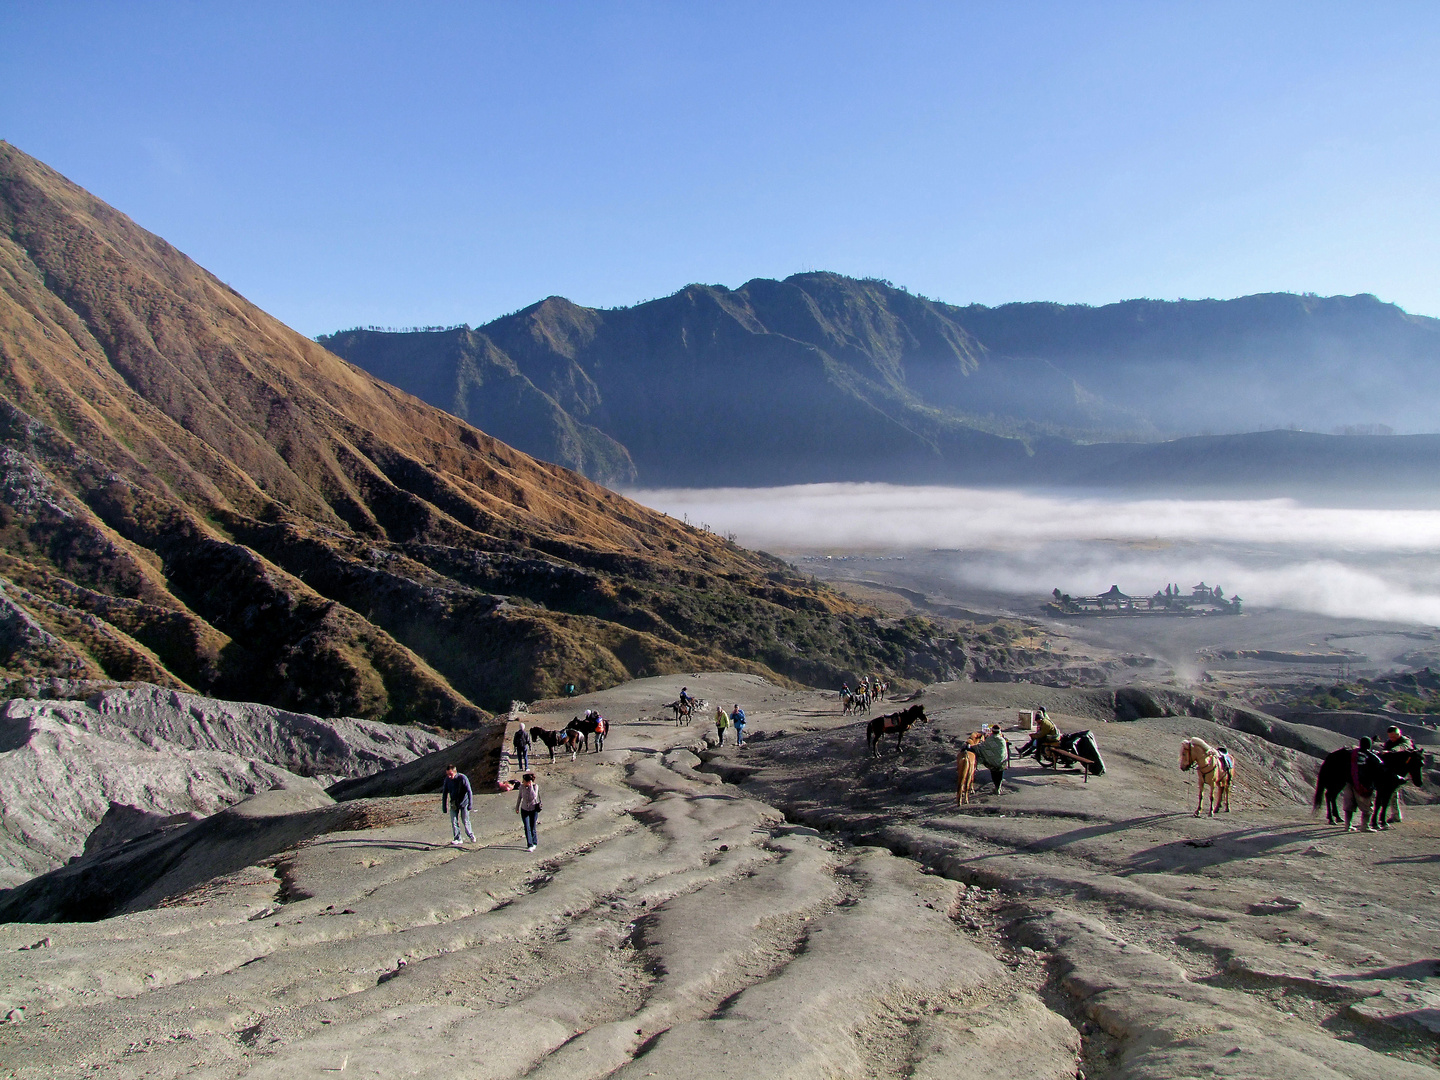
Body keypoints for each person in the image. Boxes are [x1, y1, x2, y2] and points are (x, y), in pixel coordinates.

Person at [1344, 737, 1385, 832]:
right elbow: (1380, 767)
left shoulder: (1351, 754)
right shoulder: (1372, 756)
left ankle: (1347, 826)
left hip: (1350, 783)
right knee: (1367, 808)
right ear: (1369, 745)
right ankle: (1365, 826)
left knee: (1349, 806)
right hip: (1363, 786)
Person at [1382, 725, 1415, 823]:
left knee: (1394, 793)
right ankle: (1396, 815)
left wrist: (1391, 751)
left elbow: (1403, 747)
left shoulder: (1405, 741)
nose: (1392, 739)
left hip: (1403, 772)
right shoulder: (1389, 743)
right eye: (1390, 737)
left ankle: (1396, 815)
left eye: (1394, 737)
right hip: (1393, 771)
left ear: (1398, 734)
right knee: (1393, 793)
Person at [441, 764, 475, 846]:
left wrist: (470, 804)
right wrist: (444, 806)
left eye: (450, 774)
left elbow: (469, 791)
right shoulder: (447, 780)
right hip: (454, 803)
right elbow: (445, 793)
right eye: (447, 774)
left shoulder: (462, 778)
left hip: (464, 803)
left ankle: (471, 835)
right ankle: (457, 838)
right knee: (454, 821)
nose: (449, 776)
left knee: (465, 820)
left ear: (455, 772)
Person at [976, 724, 1010, 793]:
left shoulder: (989, 739)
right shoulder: (1002, 740)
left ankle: (996, 786)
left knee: (994, 774)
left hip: (992, 762)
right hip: (1001, 762)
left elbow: (983, 748)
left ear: (992, 731)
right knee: (1000, 774)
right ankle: (999, 787)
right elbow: (1004, 751)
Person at [515, 772, 541, 851]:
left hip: (533, 809)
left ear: (529, 781)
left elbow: (534, 797)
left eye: (524, 781)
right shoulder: (522, 787)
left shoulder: (535, 786)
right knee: (526, 827)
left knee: (532, 826)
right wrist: (517, 807)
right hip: (524, 809)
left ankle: (534, 842)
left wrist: (530, 787)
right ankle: (529, 844)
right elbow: (519, 797)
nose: (523, 782)